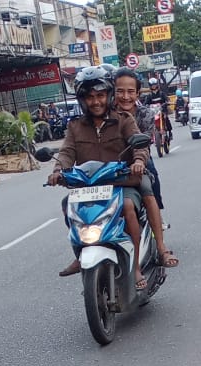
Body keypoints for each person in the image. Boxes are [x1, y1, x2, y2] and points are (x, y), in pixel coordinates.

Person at [50, 67, 177, 286]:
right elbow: (67, 152)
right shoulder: (75, 127)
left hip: (122, 182)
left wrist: (138, 162)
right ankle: (81, 253)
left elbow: (139, 143)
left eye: (100, 95)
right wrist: (57, 171)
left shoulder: (124, 120)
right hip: (89, 187)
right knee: (67, 204)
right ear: (82, 100)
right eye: (89, 97)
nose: (96, 102)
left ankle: (135, 266)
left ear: (108, 96)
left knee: (127, 205)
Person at [113, 68, 169, 221]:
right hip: (113, 161)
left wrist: (138, 161)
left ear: (137, 93)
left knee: (151, 175)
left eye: (131, 92)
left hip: (139, 157)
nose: (126, 97)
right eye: (120, 91)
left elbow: (143, 142)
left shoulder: (146, 114)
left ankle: (157, 214)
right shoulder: (108, 114)